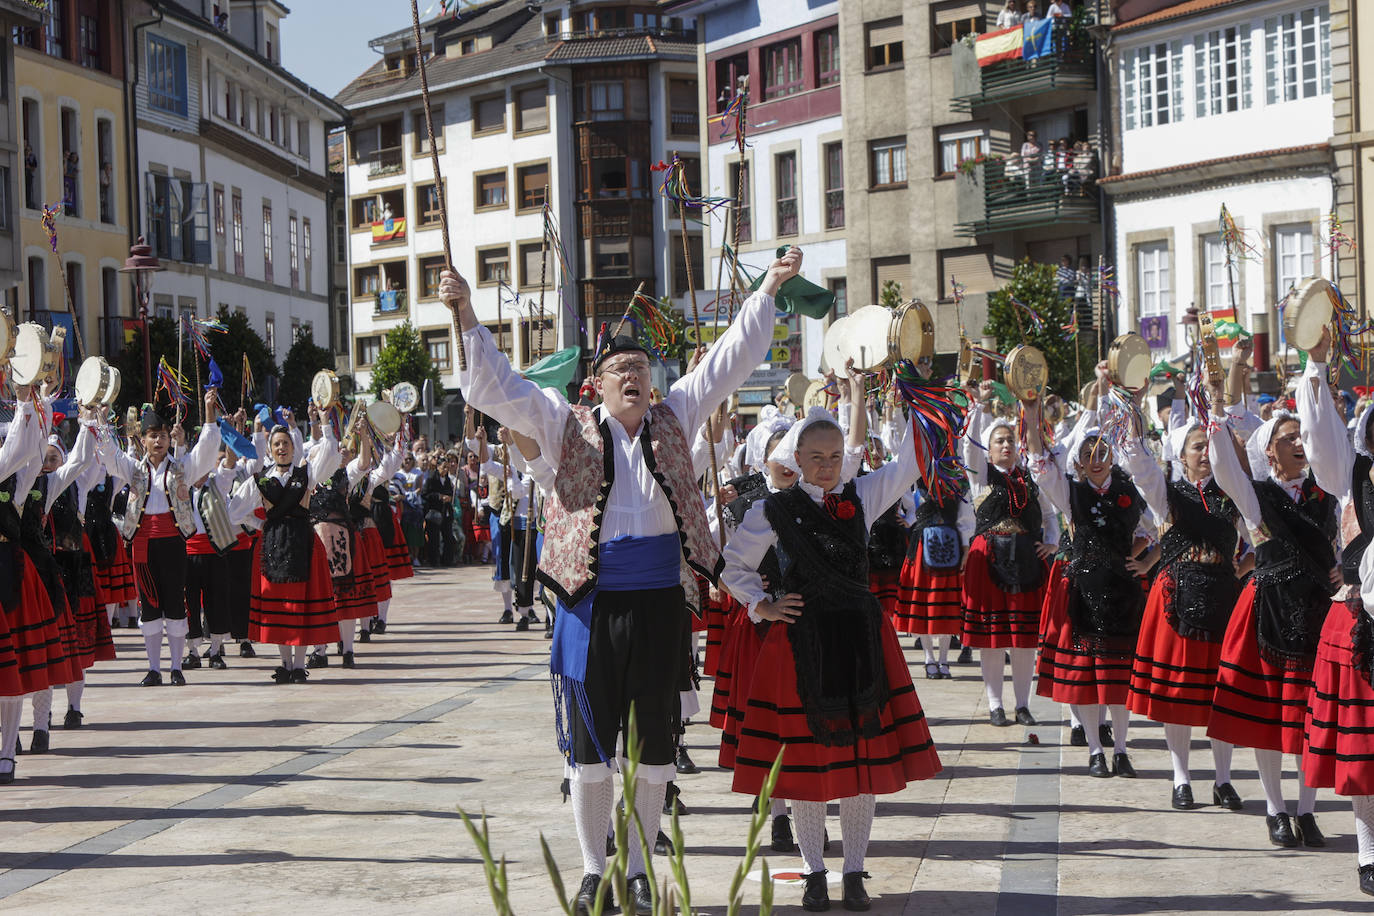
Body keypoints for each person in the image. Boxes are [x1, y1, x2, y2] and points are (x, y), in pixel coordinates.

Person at [448, 245, 800, 916]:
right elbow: (498, 389)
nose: (632, 376)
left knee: (653, 745)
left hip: (661, 603)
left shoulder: (679, 416)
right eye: (619, 370)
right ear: (600, 386)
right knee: (589, 746)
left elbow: (731, 358)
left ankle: (637, 868)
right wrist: (466, 312)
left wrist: (769, 291)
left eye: (640, 368)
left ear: (654, 381)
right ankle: (590, 869)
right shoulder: (563, 426)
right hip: (590, 602)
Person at [721, 407, 942, 912]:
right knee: (807, 765)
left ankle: (855, 871)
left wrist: (914, 402)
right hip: (802, 643)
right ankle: (814, 872)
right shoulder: (774, 508)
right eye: (816, 457)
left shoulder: (861, 495)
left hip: (861, 640)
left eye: (835, 457)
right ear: (796, 459)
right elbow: (733, 564)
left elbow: (910, 463)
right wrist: (764, 605)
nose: (826, 466)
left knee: (860, 765)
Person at [1206, 330, 1338, 849]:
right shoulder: (1254, 496)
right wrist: (1219, 404)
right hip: (1267, 614)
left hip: (1317, 612)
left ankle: (1307, 811)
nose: (1301, 444)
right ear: (1269, 451)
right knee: (1266, 718)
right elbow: (1222, 462)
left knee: (1311, 714)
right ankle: (1276, 809)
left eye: (1299, 435)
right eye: (1289, 438)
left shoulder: (1325, 490)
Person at [1027, 366, 1152, 778]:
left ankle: (1120, 749)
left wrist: (1141, 560)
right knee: (1085, 676)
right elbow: (1041, 464)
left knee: (1118, 677)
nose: (1096, 460)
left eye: (1102, 452)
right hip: (1082, 591)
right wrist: (1031, 415)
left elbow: (1155, 531)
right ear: (1078, 462)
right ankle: (1095, 749)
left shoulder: (1130, 492)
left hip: (1122, 592)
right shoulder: (1071, 492)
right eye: (1087, 454)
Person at [1127, 389, 1246, 810]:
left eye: (1207, 446)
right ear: (1181, 456)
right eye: (1197, 446)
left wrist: (1243, 567)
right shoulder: (1167, 496)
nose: (1203, 452)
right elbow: (1140, 467)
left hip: (1224, 599)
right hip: (1175, 602)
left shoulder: (1234, 495)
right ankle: (1181, 778)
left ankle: (1224, 780)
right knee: (1178, 696)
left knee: (1223, 692)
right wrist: (1133, 410)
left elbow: (1257, 543)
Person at [94, 393, 221, 687]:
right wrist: (101, 420)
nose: (159, 441)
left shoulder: (181, 468)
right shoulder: (134, 469)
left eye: (163, 436)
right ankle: (154, 668)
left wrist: (208, 411)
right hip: (143, 544)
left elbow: (206, 450)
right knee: (149, 606)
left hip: (174, 543)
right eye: (153, 436)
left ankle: (176, 667)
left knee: (175, 604)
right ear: (144, 441)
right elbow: (110, 455)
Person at [961, 383, 1058, 727]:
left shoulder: (1031, 478)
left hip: (1027, 561)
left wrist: (1052, 543)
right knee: (992, 638)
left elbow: (1050, 514)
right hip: (988, 561)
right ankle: (994, 704)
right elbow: (969, 448)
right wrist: (979, 406)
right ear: (988, 450)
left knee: (1023, 639)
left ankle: (1022, 704)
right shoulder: (980, 476)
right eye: (999, 441)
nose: (1006, 445)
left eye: (1010, 441)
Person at [232, 413, 344, 683]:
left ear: (293, 447)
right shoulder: (260, 479)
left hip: (303, 542)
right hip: (273, 544)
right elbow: (234, 511)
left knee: (300, 605)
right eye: (276, 444)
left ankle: (298, 666)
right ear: (270, 450)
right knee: (282, 606)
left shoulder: (306, 474)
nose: (281, 448)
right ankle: (285, 664)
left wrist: (325, 423)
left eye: (285, 443)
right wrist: (259, 525)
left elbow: (330, 453)